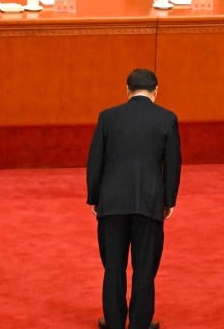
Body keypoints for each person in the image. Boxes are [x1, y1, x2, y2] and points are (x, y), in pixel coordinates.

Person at [87, 68, 182, 329]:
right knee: (145, 268)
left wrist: (94, 197)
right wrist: (169, 200)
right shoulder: (167, 118)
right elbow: (172, 164)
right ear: (156, 90)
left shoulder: (108, 117)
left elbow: (95, 160)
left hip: (112, 204)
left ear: (127, 89)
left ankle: (114, 322)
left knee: (113, 267)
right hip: (149, 203)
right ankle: (140, 323)